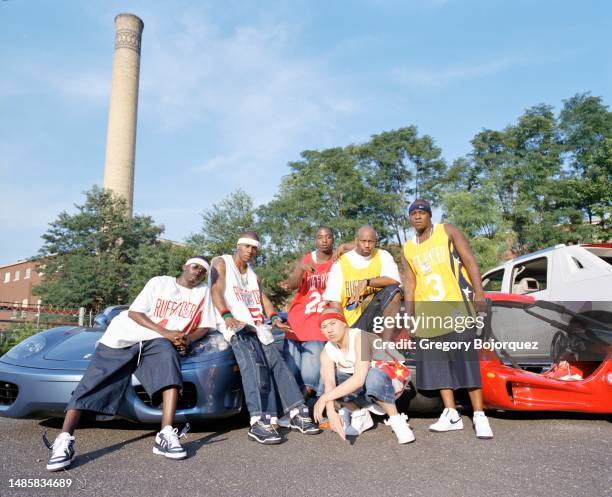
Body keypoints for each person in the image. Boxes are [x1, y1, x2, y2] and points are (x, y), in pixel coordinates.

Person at [44, 256, 214, 471]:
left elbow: (206, 326)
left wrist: (188, 339)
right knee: (93, 381)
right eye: (195, 266)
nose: (198, 271)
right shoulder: (159, 282)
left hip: (158, 341)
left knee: (170, 367)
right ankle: (64, 440)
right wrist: (167, 333)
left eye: (203, 270)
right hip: (126, 335)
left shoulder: (204, 293)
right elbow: (135, 312)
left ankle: (166, 435)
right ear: (184, 266)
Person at [209, 231, 320, 444]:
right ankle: (258, 422)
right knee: (254, 368)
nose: (250, 251)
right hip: (237, 327)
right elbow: (216, 290)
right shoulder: (222, 262)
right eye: (247, 246)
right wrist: (227, 315)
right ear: (238, 245)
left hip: (259, 327)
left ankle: (296, 413)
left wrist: (274, 317)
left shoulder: (253, 275)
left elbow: (263, 299)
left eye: (254, 248)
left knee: (279, 367)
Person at [401, 199, 493, 439]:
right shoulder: (409, 248)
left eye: (422, 213)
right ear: (410, 219)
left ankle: (479, 415)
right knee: (439, 365)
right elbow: (410, 285)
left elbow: (469, 260)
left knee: (466, 361)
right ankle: (451, 413)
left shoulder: (447, 231)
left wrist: (479, 292)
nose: (417, 217)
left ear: (430, 216)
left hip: (456, 307)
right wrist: (409, 317)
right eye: (413, 214)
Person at [313, 309, 414, 444]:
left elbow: (359, 379)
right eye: (324, 327)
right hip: (365, 388)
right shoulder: (327, 351)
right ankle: (358, 413)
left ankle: (396, 420)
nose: (329, 330)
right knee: (324, 379)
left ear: (344, 323)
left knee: (373, 374)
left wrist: (324, 399)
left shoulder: (360, 337)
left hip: (391, 384)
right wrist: (331, 412)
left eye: (333, 323)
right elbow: (329, 382)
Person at [323, 225, 402, 338]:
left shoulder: (383, 256)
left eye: (371, 242)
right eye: (363, 241)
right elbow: (334, 300)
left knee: (394, 291)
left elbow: (394, 281)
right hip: (353, 318)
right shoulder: (341, 262)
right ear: (356, 241)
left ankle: (386, 343)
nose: (367, 245)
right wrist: (344, 329)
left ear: (376, 242)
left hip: (375, 312)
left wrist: (367, 282)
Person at [283, 226, 335, 397]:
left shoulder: (338, 260)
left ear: (333, 239)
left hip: (318, 325)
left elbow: (355, 245)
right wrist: (300, 268)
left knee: (309, 376)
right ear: (315, 240)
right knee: (291, 372)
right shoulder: (306, 259)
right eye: (320, 237)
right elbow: (292, 285)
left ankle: (300, 409)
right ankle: (293, 409)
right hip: (297, 323)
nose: (324, 240)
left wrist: (343, 248)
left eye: (328, 237)